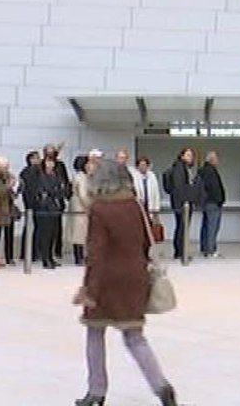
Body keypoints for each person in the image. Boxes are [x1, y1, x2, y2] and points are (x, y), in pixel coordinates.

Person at [72, 158, 178, 406]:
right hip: (135, 276)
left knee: (95, 333)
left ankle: (96, 391)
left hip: (106, 280)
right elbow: (147, 243)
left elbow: (96, 254)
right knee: (135, 336)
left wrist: (89, 289)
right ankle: (161, 387)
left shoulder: (99, 209)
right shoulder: (135, 205)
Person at [31, 154, 68, 269]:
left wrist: (57, 192)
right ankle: (45, 258)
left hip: (55, 208)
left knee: (53, 234)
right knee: (45, 235)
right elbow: (45, 191)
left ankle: (51, 256)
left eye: (52, 163)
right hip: (45, 209)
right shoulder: (40, 177)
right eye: (48, 163)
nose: (50, 165)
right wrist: (54, 192)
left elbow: (62, 190)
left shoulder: (56, 176)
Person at [166, 147, 198, 261]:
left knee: (182, 227)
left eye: (191, 155)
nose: (191, 158)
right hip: (182, 203)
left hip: (182, 202)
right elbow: (180, 186)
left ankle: (181, 251)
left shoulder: (185, 168)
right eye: (188, 155)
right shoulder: (180, 168)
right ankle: (180, 251)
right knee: (182, 227)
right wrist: (185, 200)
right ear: (182, 156)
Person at [67, 153, 98, 266]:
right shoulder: (80, 177)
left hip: (79, 205)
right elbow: (83, 194)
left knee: (81, 232)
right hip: (80, 207)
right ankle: (79, 257)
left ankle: (81, 256)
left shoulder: (84, 176)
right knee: (79, 232)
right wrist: (88, 206)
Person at [43, 143, 70, 260]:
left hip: (58, 202)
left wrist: (66, 195)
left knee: (57, 228)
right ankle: (45, 254)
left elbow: (65, 181)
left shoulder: (60, 166)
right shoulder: (41, 166)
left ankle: (57, 250)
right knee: (46, 230)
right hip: (47, 204)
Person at [198, 152, 226, 258]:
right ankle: (210, 249)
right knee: (212, 226)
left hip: (206, 202)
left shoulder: (203, 171)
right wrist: (219, 200)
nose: (218, 160)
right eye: (216, 158)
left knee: (206, 225)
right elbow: (214, 188)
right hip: (213, 202)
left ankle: (204, 247)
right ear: (211, 160)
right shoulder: (211, 172)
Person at [18, 150, 43, 262]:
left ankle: (31, 252)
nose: (39, 160)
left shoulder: (30, 171)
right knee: (32, 227)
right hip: (32, 202)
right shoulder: (30, 172)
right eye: (36, 158)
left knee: (33, 227)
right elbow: (31, 188)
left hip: (31, 202)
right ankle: (31, 252)